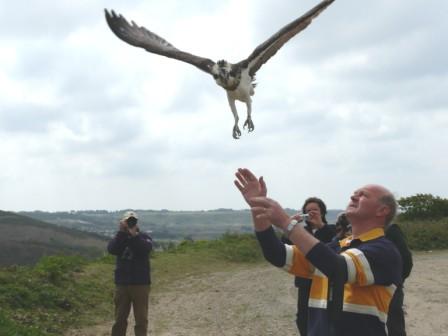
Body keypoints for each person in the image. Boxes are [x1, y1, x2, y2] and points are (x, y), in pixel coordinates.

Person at [234, 168, 402, 336]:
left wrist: (287, 223)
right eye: (354, 193)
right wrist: (258, 206)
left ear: (382, 211)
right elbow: (276, 253)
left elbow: (338, 269)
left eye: (363, 195)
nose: (353, 197)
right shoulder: (336, 247)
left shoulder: (384, 251)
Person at [282, 197, 335, 335]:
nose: (311, 213)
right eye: (308, 211)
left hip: (328, 283)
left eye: (315, 210)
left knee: (327, 317)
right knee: (303, 318)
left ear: (322, 212)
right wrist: (291, 224)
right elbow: (284, 244)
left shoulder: (332, 229)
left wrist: (320, 226)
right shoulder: (300, 231)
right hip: (305, 281)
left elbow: (337, 244)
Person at [108, 211, 153, 336]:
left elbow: (146, 249)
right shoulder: (120, 238)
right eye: (128, 221)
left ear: (137, 222)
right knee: (119, 319)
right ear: (123, 222)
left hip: (140, 284)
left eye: (133, 221)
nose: (131, 223)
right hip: (122, 284)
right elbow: (112, 249)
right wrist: (122, 233)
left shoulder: (143, 237)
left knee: (141, 319)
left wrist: (134, 237)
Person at [385, 223, 413, 336]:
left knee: (393, 329)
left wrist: (394, 283)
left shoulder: (390, 230)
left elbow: (406, 261)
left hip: (390, 290)